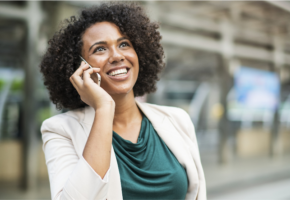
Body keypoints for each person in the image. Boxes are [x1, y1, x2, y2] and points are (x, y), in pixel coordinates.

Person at [40, 2, 206, 200]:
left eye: (124, 44)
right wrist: (103, 108)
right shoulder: (59, 130)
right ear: (79, 68)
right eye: (100, 49)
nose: (117, 56)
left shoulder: (177, 120)